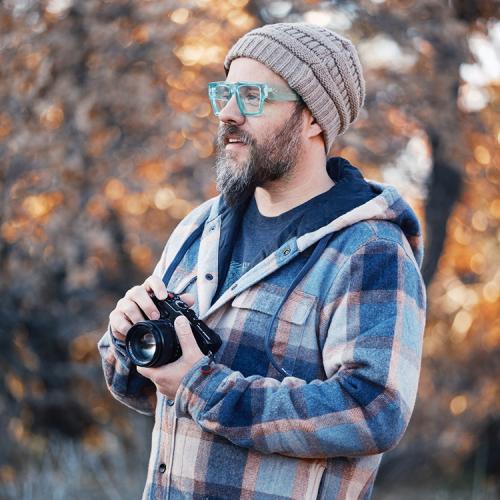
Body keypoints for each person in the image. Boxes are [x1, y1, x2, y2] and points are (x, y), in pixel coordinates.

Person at [98, 23, 426, 499]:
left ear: (313, 118)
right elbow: (154, 392)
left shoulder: (369, 250)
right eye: (225, 93)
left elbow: (372, 411)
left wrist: (203, 387)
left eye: (252, 95)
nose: (228, 113)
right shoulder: (199, 227)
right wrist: (127, 339)